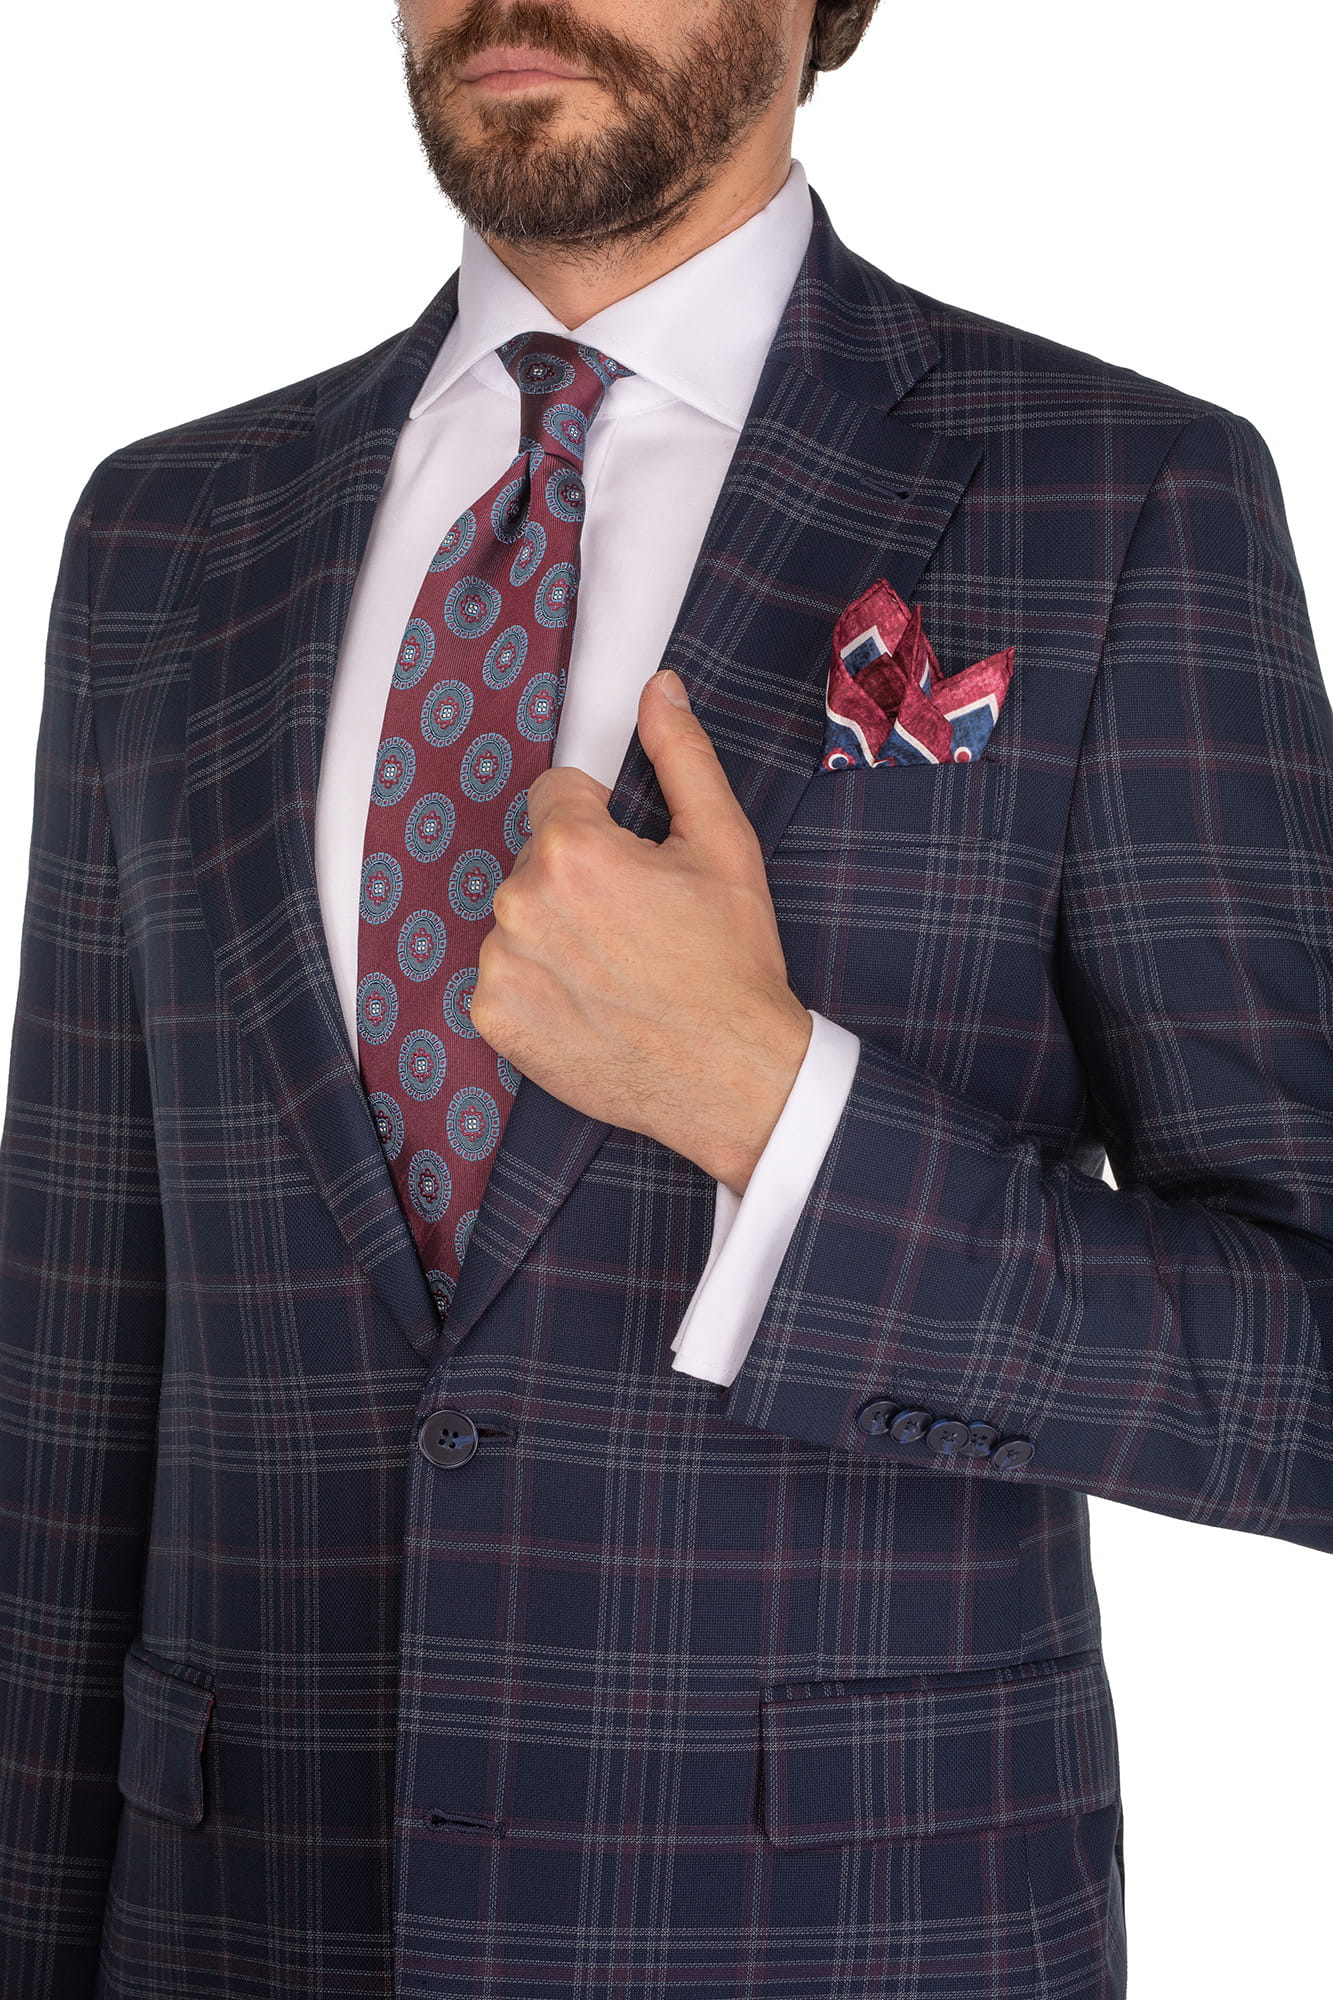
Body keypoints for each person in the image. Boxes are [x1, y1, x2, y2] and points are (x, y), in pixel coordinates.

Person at [1, 0, 1329, 1994]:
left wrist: (775, 1116)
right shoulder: (163, 534)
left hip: (837, 1935)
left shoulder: (1115, 497)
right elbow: (69, 1358)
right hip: (241, 1920)